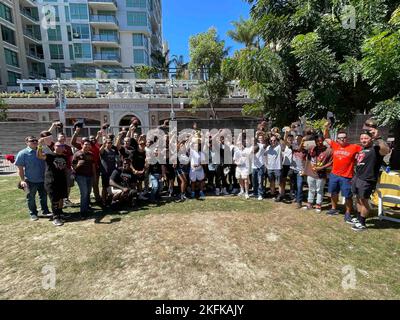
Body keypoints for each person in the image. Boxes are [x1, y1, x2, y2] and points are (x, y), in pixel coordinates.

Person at [351, 130, 390, 231]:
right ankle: (359, 218)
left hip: (367, 179)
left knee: (364, 200)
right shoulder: (362, 149)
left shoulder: (376, 149)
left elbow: (386, 150)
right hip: (358, 177)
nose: (363, 140)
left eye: (366, 138)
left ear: (371, 139)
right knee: (358, 199)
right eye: (362, 138)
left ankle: (362, 223)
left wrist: (379, 138)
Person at [323, 121, 362, 222]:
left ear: (347, 138)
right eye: (340, 138)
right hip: (334, 175)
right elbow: (326, 138)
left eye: (344, 137)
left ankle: (348, 212)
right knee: (333, 193)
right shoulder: (335, 145)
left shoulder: (354, 147)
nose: (342, 139)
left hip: (347, 176)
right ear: (337, 139)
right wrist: (326, 128)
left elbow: (365, 150)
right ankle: (333, 208)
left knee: (347, 195)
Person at [15, 136, 51, 221]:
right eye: (32, 141)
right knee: (31, 198)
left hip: (42, 179)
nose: (35, 142)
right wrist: (23, 180)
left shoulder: (41, 151)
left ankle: (45, 211)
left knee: (43, 196)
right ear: (27, 142)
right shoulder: (22, 153)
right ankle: (33, 214)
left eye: (36, 140)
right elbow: (20, 169)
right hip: (30, 180)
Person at [37, 140, 68, 226]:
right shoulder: (49, 155)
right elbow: (39, 156)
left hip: (61, 181)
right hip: (51, 181)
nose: (60, 147)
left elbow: (64, 168)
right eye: (58, 146)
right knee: (54, 199)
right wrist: (39, 145)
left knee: (61, 198)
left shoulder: (64, 157)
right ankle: (56, 217)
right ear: (54, 147)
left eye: (61, 146)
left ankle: (60, 213)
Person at [303, 135, 333, 212]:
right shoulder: (312, 148)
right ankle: (309, 203)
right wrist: (306, 139)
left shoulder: (329, 150)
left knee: (319, 190)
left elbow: (331, 162)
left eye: (321, 140)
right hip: (311, 172)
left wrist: (321, 168)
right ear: (315, 141)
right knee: (311, 189)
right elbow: (302, 148)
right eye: (317, 141)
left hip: (321, 174)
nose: (319, 142)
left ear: (323, 140)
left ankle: (318, 205)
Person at [72, 141, 96, 219]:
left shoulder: (91, 154)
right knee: (84, 193)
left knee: (88, 192)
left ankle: (86, 207)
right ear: (82, 145)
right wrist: (78, 165)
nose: (87, 146)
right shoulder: (77, 154)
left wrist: (94, 176)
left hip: (90, 176)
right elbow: (73, 166)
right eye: (85, 144)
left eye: (88, 145)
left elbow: (93, 166)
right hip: (80, 176)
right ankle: (83, 212)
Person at [99, 138, 118, 207]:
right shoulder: (104, 150)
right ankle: (103, 201)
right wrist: (103, 144)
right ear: (105, 143)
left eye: (110, 143)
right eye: (108, 142)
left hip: (112, 172)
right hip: (105, 172)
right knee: (104, 187)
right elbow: (100, 151)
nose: (109, 144)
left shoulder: (113, 151)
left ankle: (109, 200)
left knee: (111, 187)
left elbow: (115, 160)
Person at [289, 134, 307, 208]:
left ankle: (299, 201)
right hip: (293, 169)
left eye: (299, 139)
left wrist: (305, 170)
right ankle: (296, 197)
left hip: (301, 170)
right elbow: (298, 149)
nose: (297, 140)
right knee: (294, 185)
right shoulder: (294, 146)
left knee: (299, 186)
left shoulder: (306, 149)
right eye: (297, 139)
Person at [233, 134, 252, 199]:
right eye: (238, 144)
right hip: (238, 167)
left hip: (245, 168)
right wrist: (236, 163)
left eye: (240, 144)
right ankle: (242, 190)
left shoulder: (247, 150)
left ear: (243, 144)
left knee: (246, 180)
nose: (239, 145)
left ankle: (246, 193)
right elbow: (234, 160)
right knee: (240, 179)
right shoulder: (236, 151)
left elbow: (251, 152)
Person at [265, 134, 284, 201]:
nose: (272, 142)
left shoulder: (279, 146)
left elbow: (283, 143)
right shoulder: (268, 147)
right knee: (271, 182)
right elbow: (265, 156)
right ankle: (272, 194)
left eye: (274, 140)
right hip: (270, 168)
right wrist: (266, 165)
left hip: (278, 168)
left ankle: (280, 195)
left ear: (276, 141)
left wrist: (279, 136)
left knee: (279, 182)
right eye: (271, 140)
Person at [251, 133, 266, 200]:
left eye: (262, 138)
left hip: (261, 166)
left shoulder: (261, 145)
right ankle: (255, 193)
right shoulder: (251, 146)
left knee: (260, 181)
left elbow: (264, 146)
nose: (260, 139)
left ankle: (260, 194)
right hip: (254, 166)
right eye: (259, 138)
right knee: (254, 181)